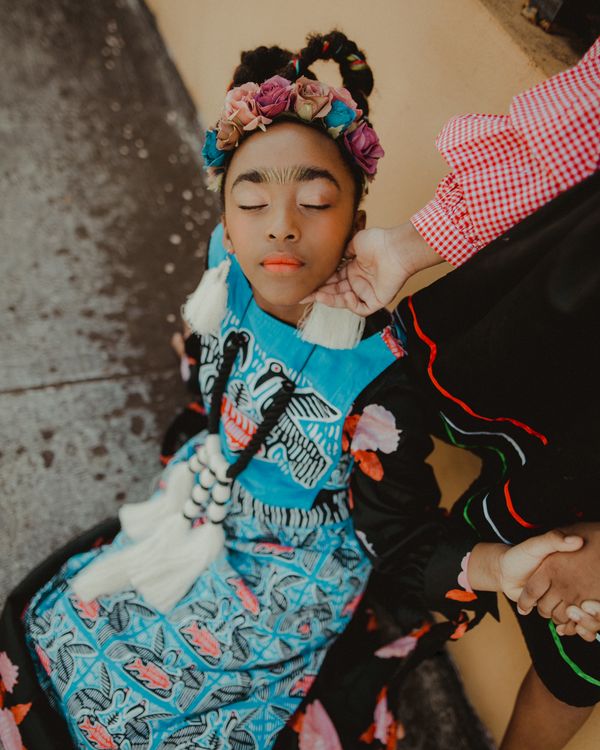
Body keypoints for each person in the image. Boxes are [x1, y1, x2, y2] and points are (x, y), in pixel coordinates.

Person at [0, 30, 590, 750]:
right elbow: (213, 364)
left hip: (293, 569)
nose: (280, 226)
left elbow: (401, 538)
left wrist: (499, 567)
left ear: (358, 228)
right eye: (251, 203)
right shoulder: (226, 271)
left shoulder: (377, 383)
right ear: (224, 226)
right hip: (207, 495)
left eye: (315, 201)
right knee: (65, 633)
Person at [303, 36, 600, 750]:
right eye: (251, 200)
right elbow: (577, 126)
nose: (283, 228)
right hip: (555, 325)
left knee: (578, 659)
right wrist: (409, 246)